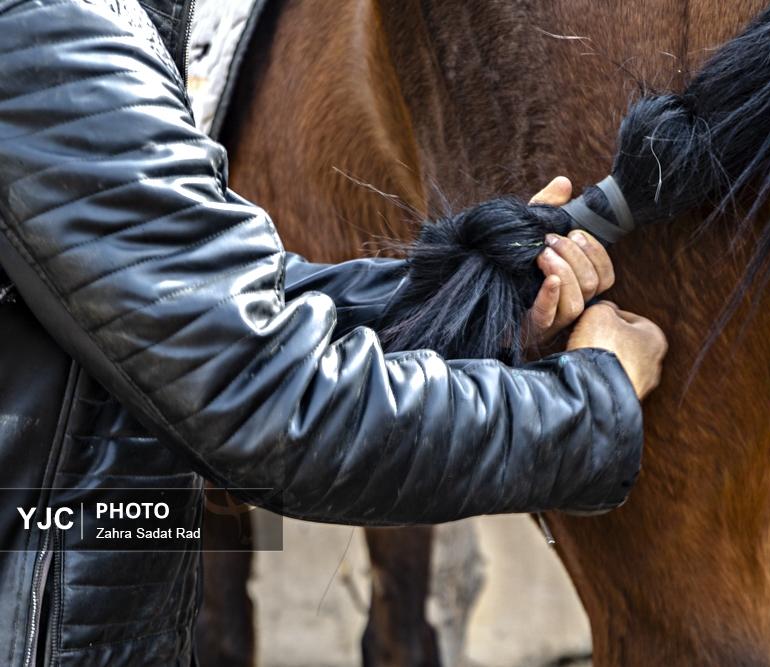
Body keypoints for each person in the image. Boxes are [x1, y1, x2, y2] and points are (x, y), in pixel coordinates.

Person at [0, 0, 667, 663]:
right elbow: (272, 403)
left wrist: (471, 294)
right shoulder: (42, 32)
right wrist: (592, 398)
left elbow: (211, 303)